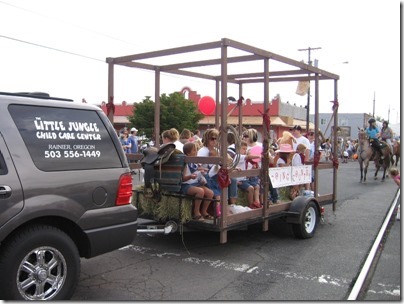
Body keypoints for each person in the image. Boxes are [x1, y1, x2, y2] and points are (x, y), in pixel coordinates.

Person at [180, 142, 213, 221]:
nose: (196, 152)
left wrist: (201, 175)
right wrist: (190, 176)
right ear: (188, 153)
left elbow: (197, 172)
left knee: (210, 193)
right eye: (194, 150)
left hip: (195, 184)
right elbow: (183, 179)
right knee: (200, 191)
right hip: (186, 185)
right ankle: (196, 212)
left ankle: (204, 211)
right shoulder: (185, 163)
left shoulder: (195, 162)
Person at [235, 141, 261, 209]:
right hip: (240, 180)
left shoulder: (242, 157)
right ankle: (251, 204)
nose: (245, 151)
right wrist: (258, 156)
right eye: (243, 149)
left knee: (257, 186)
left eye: (245, 149)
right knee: (251, 188)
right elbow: (249, 156)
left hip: (245, 179)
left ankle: (257, 202)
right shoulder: (238, 156)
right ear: (238, 149)